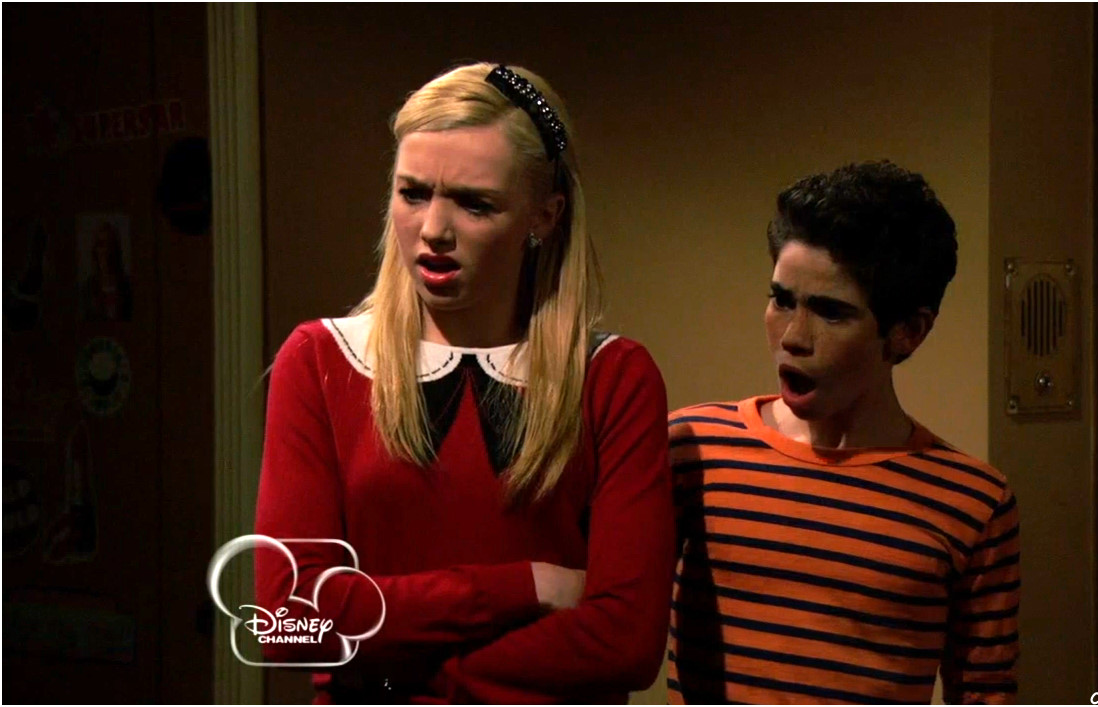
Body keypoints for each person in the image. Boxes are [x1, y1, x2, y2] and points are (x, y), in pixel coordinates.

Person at [253, 62, 675, 703]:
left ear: (544, 216)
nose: (433, 231)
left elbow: (626, 640)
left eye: (475, 203)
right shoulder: (321, 360)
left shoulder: (612, 378)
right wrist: (526, 586)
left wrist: (422, 679)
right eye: (412, 193)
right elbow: (290, 621)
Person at [667, 162, 1020, 704]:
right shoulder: (691, 449)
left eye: (830, 313)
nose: (793, 336)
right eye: (781, 300)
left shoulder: (973, 502)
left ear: (907, 332)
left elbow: (985, 693)